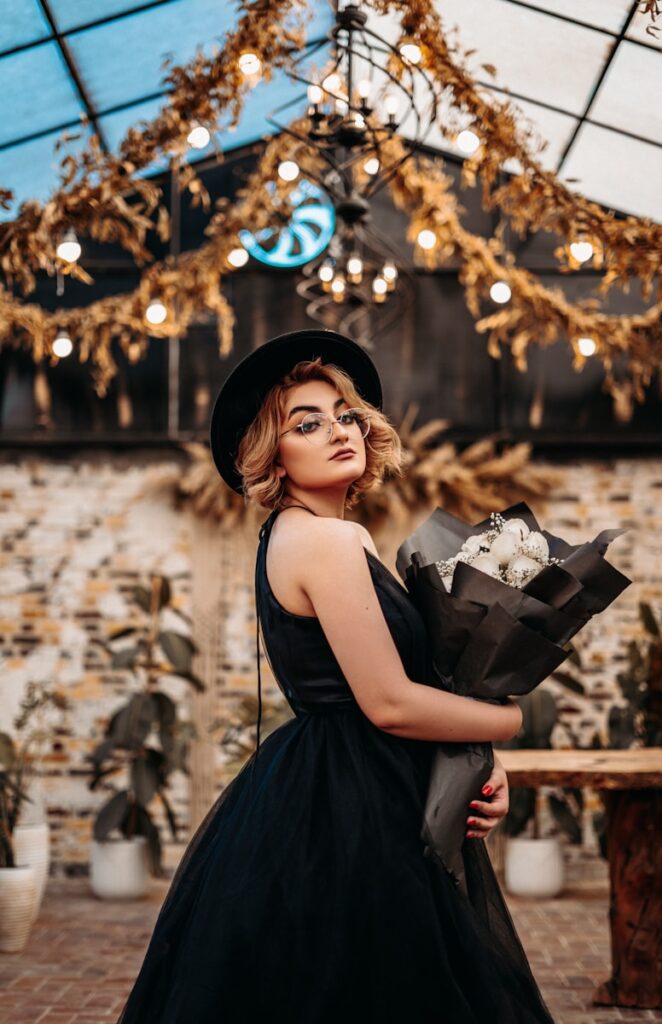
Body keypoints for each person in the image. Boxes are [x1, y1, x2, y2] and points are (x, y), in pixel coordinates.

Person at [115, 328, 555, 1024]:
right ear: (273, 454)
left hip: (342, 782)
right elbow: (388, 702)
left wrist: (478, 761)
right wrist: (510, 721)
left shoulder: (315, 534)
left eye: (345, 414)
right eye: (305, 422)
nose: (337, 429)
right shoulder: (322, 540)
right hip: (356, 799)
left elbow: (416, 681)